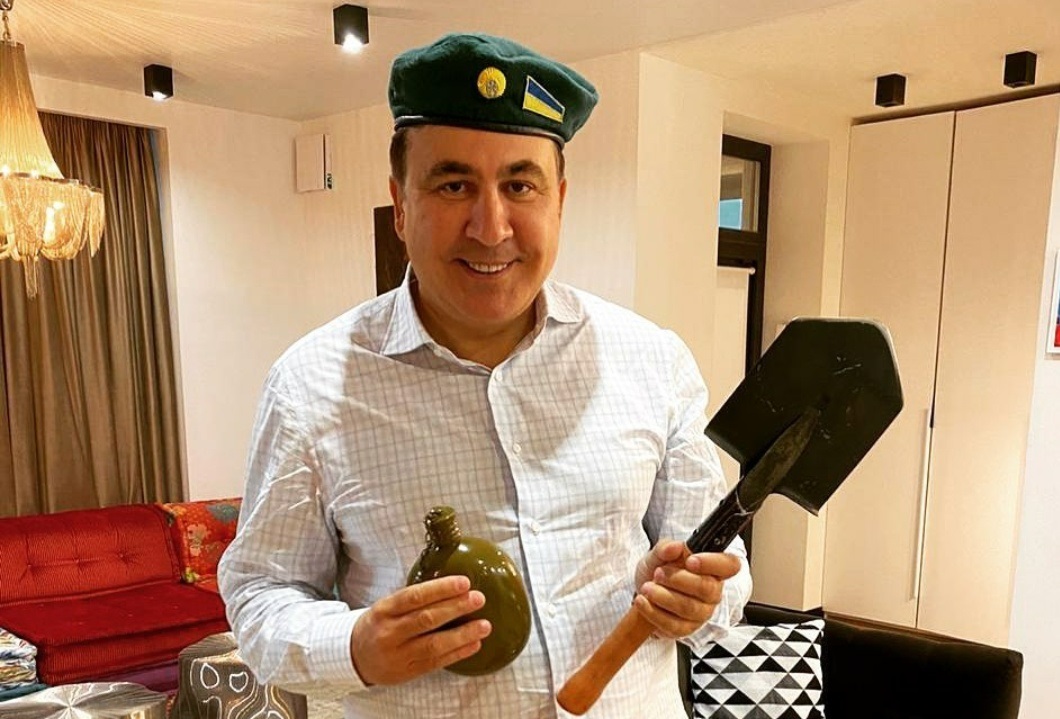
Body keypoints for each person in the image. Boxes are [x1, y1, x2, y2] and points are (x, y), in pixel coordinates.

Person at [219, 32, 752, 719]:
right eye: (454, 185)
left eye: (520, 185)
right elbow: (260, 592)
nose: (491, 226)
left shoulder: (652, 360)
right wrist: (353, 647)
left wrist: (702, 596)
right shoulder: (310, 387)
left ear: (559, 200)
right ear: (400, 205)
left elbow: (721, 562)